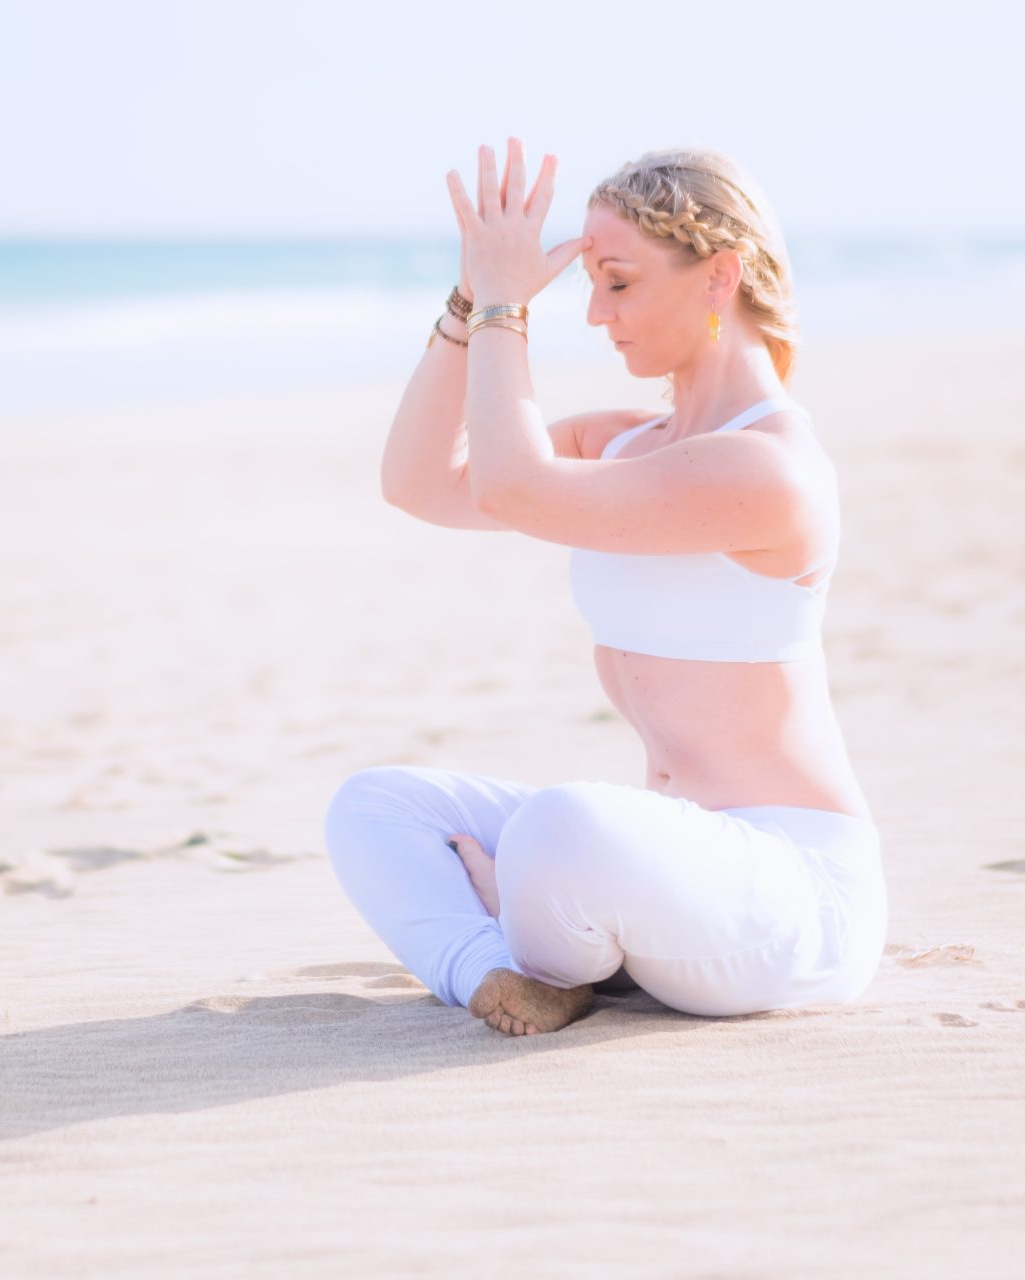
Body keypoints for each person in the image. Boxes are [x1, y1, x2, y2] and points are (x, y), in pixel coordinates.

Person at [322, 139, 888, 1038]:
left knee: (561, 824)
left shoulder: (771, 468)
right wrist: (470, 300)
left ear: (720, 276)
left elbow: (515, 487)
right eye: (589, 284)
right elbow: (421, 483)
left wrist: (508, 306)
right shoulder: (622, 444)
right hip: (667, 867)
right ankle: (501, 969)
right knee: (378, 805)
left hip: (789, 896)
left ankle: (536, 934)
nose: (594, 313)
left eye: (617, 282)